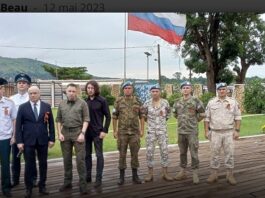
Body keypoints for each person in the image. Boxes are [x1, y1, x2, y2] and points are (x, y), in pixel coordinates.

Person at [16, 86, 55, 198]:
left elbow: (51, 124)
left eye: (35, 93)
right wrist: (19, 141)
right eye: (30, 93)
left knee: (43, 164)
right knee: (29, 165)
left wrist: (52, 138)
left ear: (39, 93)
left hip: (43, 140)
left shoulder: (46, 106)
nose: (33, 95)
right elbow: (18, 126)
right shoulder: (23, 107)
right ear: (28, 94)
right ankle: (29, 189)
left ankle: (42, 186)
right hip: (28, 141)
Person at [204, 82, 241, 185]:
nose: (222, 91)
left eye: (223, 89)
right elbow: (207, 118)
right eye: (220, 89)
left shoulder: (233, 102)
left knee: (229, 154)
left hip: (228, 132)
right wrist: (206, 131)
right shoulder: (211, 102)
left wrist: (237, 130)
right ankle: (214, 174)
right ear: (217, 90)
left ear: (227, 90)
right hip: (215, 132)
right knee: (214, 154)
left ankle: (230, 175)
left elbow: (238, 117)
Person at [56, 83, 89, 195]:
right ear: (66, 92)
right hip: (65, 133)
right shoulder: (61, 104)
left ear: (77, 92)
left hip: (78, 132)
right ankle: (67, 182)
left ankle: (83, 184)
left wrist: (82, 133)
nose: (71, 93)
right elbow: (59, 120)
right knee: (66, 159)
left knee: (80, 160)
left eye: (73, 91)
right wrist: (59, 133)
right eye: (69, 91)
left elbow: (86, 119)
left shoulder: (82, 103)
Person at [112, 81, 145, 185]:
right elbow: (114, 116)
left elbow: (142, 116)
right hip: (122, 132)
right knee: (122, 154)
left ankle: (135, 176)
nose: (128, 90)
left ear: (132, 89)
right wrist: (114, 130)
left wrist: (142, 129)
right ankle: (121, 177)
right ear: (123, 90)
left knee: (134, 154)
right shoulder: (118, 101)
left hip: (135, 132)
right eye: (126, 88)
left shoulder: (138, 101)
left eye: (129, 88)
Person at [173, 81, 205, 184]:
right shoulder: (177, 102)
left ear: (191, 89)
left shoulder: (196, 101)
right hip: (181, 131)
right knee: (182, 153)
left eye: (187, 87)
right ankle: (182, 171)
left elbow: (202, 114)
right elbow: (175, 114)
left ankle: (195, 173)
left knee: (194, 153)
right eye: (184, 88)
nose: (185, 89)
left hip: (192, 132)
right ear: (181, 90)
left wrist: (195, 121)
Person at [10, 73, 38, 188]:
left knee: (30, 157)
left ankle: (33, 179)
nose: (21, 84)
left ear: (28, 85)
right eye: (19, 83)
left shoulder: (31, 97)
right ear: (16, 85)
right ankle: (15, 179)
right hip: (15, 133)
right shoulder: (11, 99)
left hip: (28, 133)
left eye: (24, 83)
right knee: (15, 158)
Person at [142, 84, 173, 182]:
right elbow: (143, 116)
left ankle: (165, 173)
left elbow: (168, 115)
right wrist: (152, 124)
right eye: (153, 91)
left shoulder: (165, 103)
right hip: (150, 132)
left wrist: (160, 123)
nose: (155, 93)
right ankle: (150, 174)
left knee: (164, 151)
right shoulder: (146, 103)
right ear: (150, 92)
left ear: (160, 92)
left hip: (162, 132)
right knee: (149, 153)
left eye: (157, 91)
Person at [84, 80, 111, 188]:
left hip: (97, 133)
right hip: (86, 133)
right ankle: (88, 175)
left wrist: (104, 130)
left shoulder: (102, 101)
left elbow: (108, 117)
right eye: (88, 88)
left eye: (92, 88)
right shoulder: (84, 101)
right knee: (87, 155)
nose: (90, 90)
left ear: (95, 89)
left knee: (99, 155)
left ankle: (98, 178)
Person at [0, 78, 16, 197]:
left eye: (2, 88)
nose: (2, 90)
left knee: (5, 164)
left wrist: (14, 135)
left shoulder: (9, 103)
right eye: (1, 88)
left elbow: (14, 120)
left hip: (5, 138)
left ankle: (6, 187)